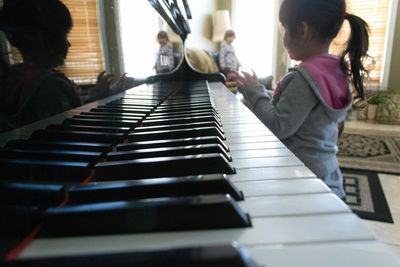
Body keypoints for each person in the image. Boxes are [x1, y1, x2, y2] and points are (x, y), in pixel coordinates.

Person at [227, 0, 370, 199]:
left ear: (302, 30)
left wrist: (255, 92)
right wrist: (259, 91)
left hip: (304, 177)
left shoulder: (303, 77)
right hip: (326, 173)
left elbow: (279, 126)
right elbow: (300, 107)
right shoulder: (333, 70)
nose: (283, 36)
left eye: (285, 28)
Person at [0, 0, 131, 132]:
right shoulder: (49, 85)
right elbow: (75, 127)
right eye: (64, 36)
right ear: (44, 39)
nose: (69, 44)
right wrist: (101, 95)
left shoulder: (15, 76)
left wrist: (102, 92)